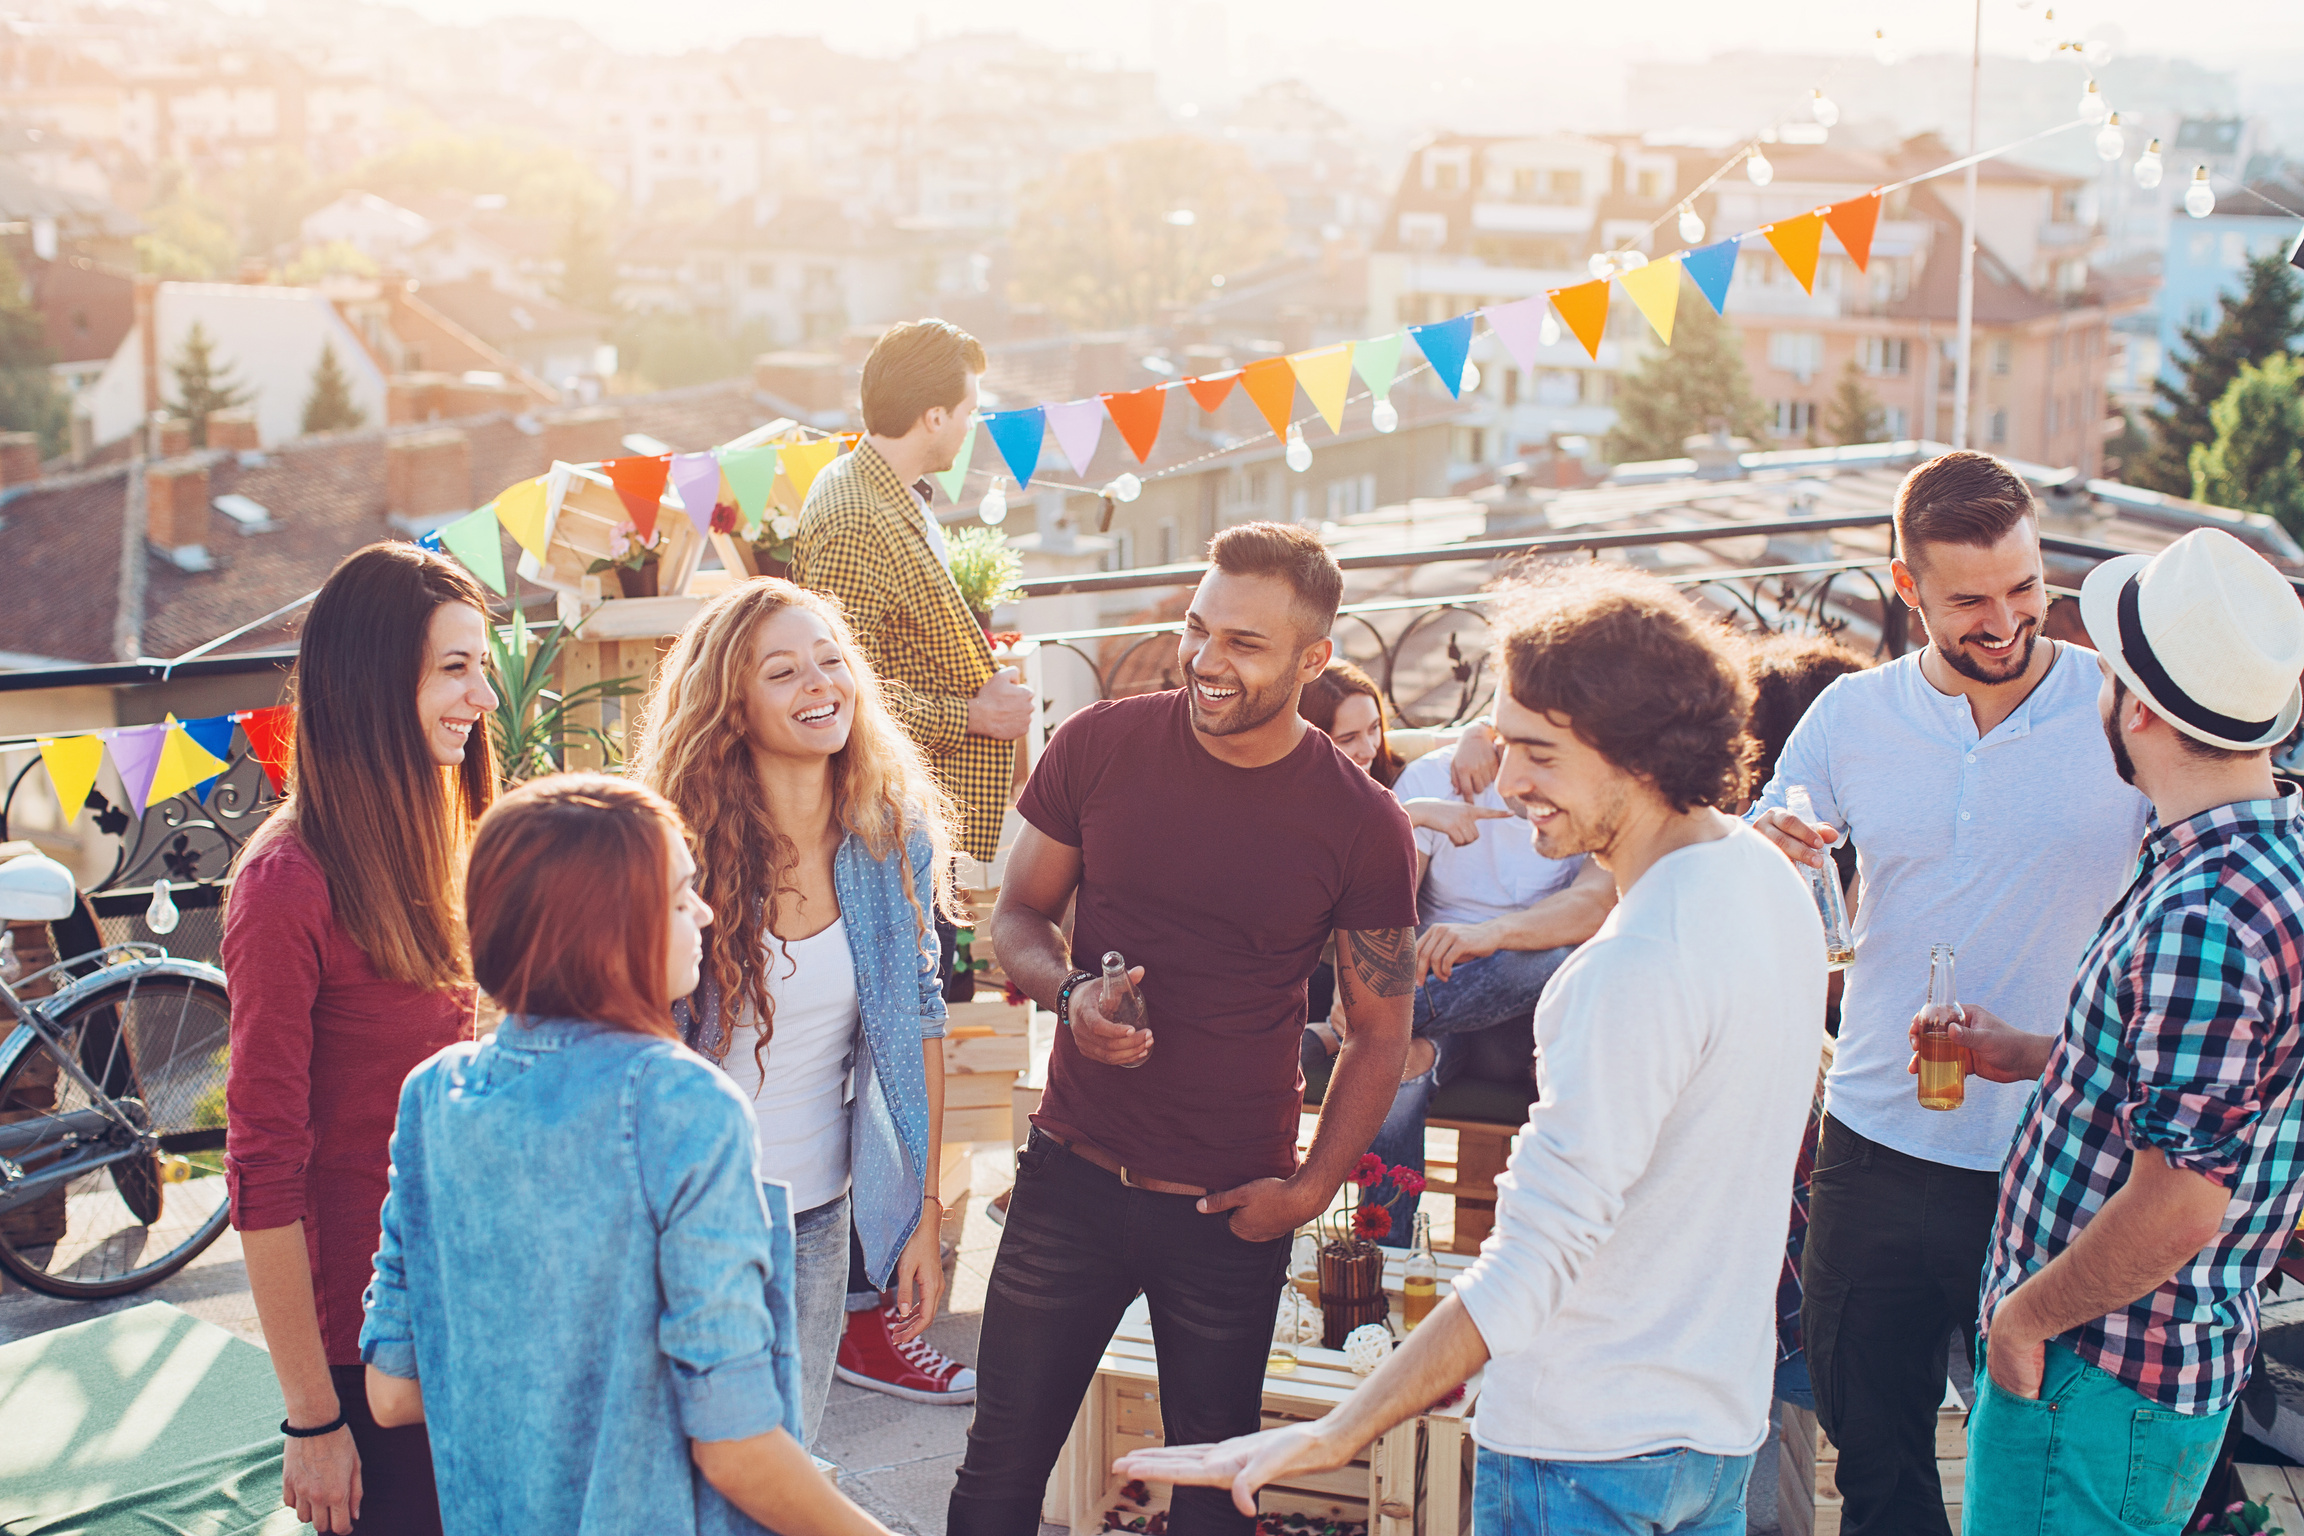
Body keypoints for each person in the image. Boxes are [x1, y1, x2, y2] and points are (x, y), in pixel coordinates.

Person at [1116, 560, 1825, 1535]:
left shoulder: (1628, 970)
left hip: (1584, 1460)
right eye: (1501, 739)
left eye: (1535, 750)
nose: (1505, 777)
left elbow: (1526, 1271)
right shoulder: (1764, 876)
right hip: (1717, 1434)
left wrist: (1327, 1434)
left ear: (1639, 753)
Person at [949, 522, 1420, 1536]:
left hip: (1227, 1210)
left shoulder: (1364, 824)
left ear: (1313, 660)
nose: (1205, 660)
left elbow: (1381, 1033)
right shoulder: (1099, 743)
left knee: (1214, 1502)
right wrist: (1072, 992)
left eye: (1244, 644)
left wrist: (1307, 1189)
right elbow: (1017, 916)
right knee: (996, 1479)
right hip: (1068, 1179)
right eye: (1197, 628)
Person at [1748, 450, 2149, 1536]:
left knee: (2046, 1459)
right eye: (1970, 599)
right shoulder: (1847, 717)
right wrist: (1769, 845)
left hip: (2058, 1152)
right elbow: (1766, 863)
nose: (2007, 619)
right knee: (1874, 1456)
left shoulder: (2117, 712)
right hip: (1875, 1139)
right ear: (1906, 587)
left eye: (2026, 588)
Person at [358, 774, 898, 1536]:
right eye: (681, 897)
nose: (705, 913)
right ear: (613, 928)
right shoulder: (686, 1108)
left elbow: (393, 1388)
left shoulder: (432, 1097)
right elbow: (736, 1447)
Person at [1941, 530, 2304, 1535]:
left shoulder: (2205, 916)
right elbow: (2220, 1098)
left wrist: (2022, 1324)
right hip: (2138, 1371)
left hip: (2095, 1374)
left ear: (2137, 706)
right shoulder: (2263, 859)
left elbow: (2183, 1200)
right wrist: (2030, 1057)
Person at [631, 578, 969, 1432]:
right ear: (731, 708)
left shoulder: (892, 838)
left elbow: (920, 1018)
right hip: (690, 1218)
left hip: (820, 1216)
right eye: (782, 673)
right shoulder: (671, 852)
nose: (821, 685)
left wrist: (921, 1215)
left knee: (793, 1450)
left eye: (830, 661)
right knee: (696, 1473)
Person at [222, 543, 499, 1536]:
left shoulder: (443, 835)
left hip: (460, 1294)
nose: (483, 695)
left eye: (483, 664)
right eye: (453, 668)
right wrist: (312, 1418)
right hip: (360, 1341)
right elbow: (260, 1165)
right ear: (374, 681)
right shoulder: (286, 882)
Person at [791, 318, 1030, 1393]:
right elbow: (837, 693)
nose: (975, 425)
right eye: (970, 405)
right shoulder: (847, 514)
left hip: (915, 826)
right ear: (934, 412)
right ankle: (863, 1321)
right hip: (875, 831)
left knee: (915, 1068)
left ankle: (877, 1301)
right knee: (884, 1084)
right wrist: (974, 712)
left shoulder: (892, 500)